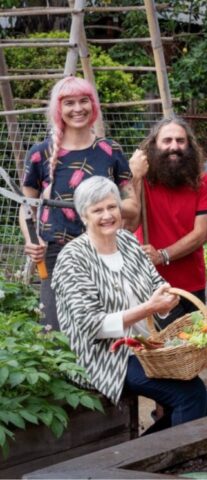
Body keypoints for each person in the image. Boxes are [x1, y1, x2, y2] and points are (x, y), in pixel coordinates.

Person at [52, 176, 207, 434]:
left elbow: (155, 282)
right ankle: (174, 466)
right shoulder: (73, 258)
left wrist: (165, 296)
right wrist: (150, 308)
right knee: (191, 394)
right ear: (83, 216)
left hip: (143, 347)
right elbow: (91, 325)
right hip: (105, 356)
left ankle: (146, 457)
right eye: (97, 210)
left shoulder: (128, 242)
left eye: (112, 207)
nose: (107, 215)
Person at [20, 76, 138, 330]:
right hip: (56, 254)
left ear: (93, 105)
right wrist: (31, 239)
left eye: (84, 101)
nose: (77, 109)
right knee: (56, 331)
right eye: (69, 103)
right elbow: (26, 205)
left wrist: (103, 208)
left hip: (104, 252)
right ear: (58, 110)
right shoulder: (40, 154)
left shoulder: (110, 150)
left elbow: (133, 206)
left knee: (107, 329)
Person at [129, 117, 207, 326]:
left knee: (195, 347)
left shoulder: (201, 180)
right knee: (162, 351)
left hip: (191, 282)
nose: (174, 146)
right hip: (152, 283)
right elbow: (130, 224)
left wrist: (163, 255)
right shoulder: (144, 179)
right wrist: (135, 177)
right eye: (167, 141)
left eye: (180, 140)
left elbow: (201, 233)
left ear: (189, 145)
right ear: (154, 145)